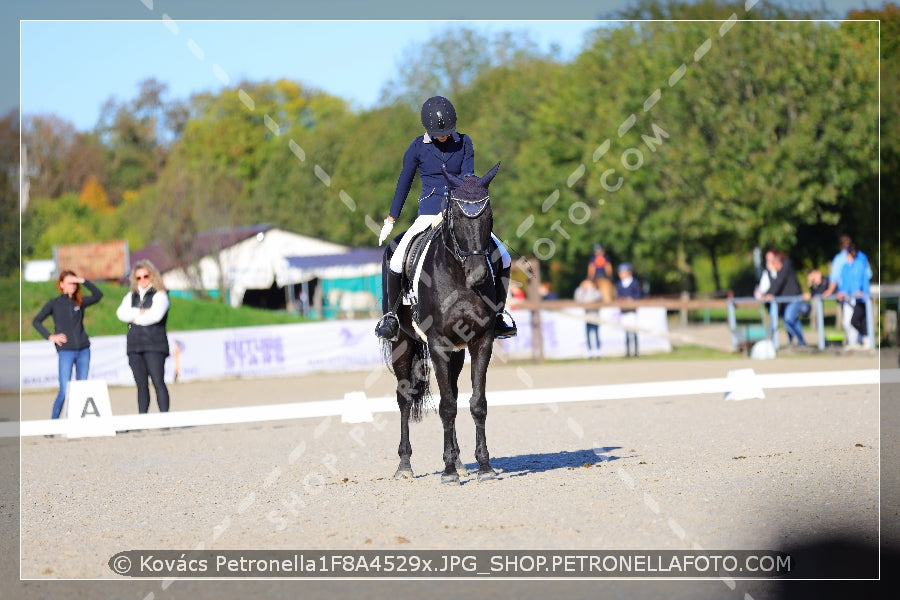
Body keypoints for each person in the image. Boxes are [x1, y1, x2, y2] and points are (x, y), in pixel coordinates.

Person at [374, 95, 515, 341]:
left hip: (459, 210)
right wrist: (391, 218)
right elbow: (404, 183)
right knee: (396, 259)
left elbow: (468, 176)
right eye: (439, 134)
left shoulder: (464, 142)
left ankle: (500, 314)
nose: (444, 137)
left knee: (503, 255)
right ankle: (391, 317)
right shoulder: (417, 147)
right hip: (428, 212)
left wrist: (465, 205)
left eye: (447, 132)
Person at [32, 270, 103, 419]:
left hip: (84, 350)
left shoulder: (80, 301)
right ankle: (54, 422)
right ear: (61, 284)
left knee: (82, 388)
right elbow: (36, 321)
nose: (73, 285)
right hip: (66, 352)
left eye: (74, 283)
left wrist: (82, 280)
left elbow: (98, 295)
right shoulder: (54, 303)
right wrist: (50, 336)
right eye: (69, 282)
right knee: (65, 390)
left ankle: (77, 421)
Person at [116, 259, 171, 413]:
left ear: (152, 276)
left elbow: (155, 316)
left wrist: (134, 318)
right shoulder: (131, 296)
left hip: (154, 344)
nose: (142, 280)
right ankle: (142, 418)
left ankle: (164, 418)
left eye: (146, 276)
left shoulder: (160, 295)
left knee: (158, 381)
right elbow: (121, 313)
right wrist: (139, 312)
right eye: (138, 277)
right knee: (141, 385)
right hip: (134, 345)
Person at [764, 251, 807, 347]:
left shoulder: (786, 268)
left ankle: (801, 341)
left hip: (794, 298)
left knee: (788, 319)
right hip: (786, 301)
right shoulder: (780, 272)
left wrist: (770, 293)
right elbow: (775, 284)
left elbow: (778, 283)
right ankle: (797, 342)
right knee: (792, 320)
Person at [836, 243, 871, 348]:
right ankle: (853, 342)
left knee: (856, 320)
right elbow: (845, 283)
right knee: (847, 322)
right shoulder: (846, 267)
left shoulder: (860, 264)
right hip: (848, 297)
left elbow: (859, 280)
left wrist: (858, 291)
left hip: (859, 298)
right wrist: (842, 291)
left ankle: (865, 339)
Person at [615, 262, 642, 357]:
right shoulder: (619, 284)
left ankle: (635, 351)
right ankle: (627, 352)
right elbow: (618, 296)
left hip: (632, 311)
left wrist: (631, 299)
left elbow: (638, 295)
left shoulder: (634, 283)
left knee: (633, 331)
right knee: (626, 332)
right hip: (623, 311)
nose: (620, 274)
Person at [574, 279, 603, 358]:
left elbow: (595, 298)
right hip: (587, 317)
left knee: (596, 335)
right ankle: (590, 352)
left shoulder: (595, 291)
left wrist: (590, 289)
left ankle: (598, 351)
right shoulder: (583, 291)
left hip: (595, 316)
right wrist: (581, 288)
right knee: (588, 335)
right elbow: (578, 299)